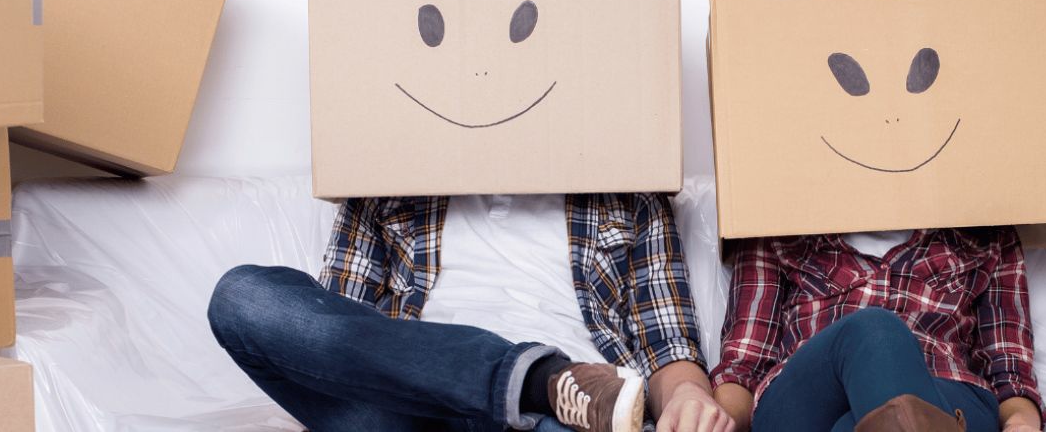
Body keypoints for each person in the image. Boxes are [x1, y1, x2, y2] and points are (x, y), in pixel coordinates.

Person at [208, 193, 734, 432]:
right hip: (407, 405)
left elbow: (668, 343)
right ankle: (535, 378)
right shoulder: (382, 186)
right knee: (242, 296)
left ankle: (538, 388)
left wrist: (689, 398)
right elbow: (338, 332)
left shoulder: (628, 192)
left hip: (566, 418)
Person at [711, 227, 1045, 432]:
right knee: (874, 332)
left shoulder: (988, 234)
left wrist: (1021, 423)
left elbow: (1010, 368)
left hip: (946, 394)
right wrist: (715, 420)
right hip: (805, 402)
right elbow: (745, 365)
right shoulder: (771, 227)